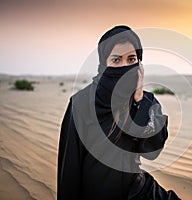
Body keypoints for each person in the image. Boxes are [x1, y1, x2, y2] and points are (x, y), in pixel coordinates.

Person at [57, 25, 180, 199]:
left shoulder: (147, 102)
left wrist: (140, 102)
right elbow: (69, 169)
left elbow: (152, 151)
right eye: (116, 60)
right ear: (104, 63)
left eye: (131, 59)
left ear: (140, 63)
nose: (124, 66)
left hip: (138, 192)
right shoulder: (81, 103)